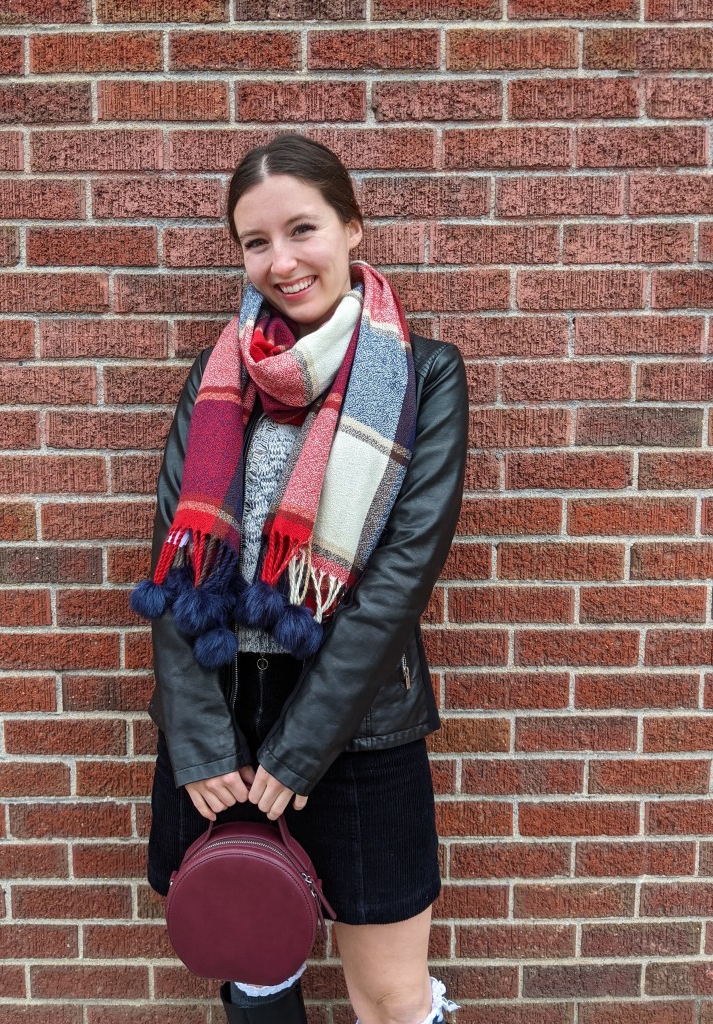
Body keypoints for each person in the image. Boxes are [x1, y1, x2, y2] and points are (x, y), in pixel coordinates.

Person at [132, 134, 469, 1024]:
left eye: (302, 229)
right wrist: (201, 738)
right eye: (256, 241)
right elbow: (176, 557)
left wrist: (300, 748)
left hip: (358, 721)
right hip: (223, 715)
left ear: (352, 228)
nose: (280, 261)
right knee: (255, 967)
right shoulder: (218, 376)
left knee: (391, 996)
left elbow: (400, 580)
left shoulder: (425, 374)